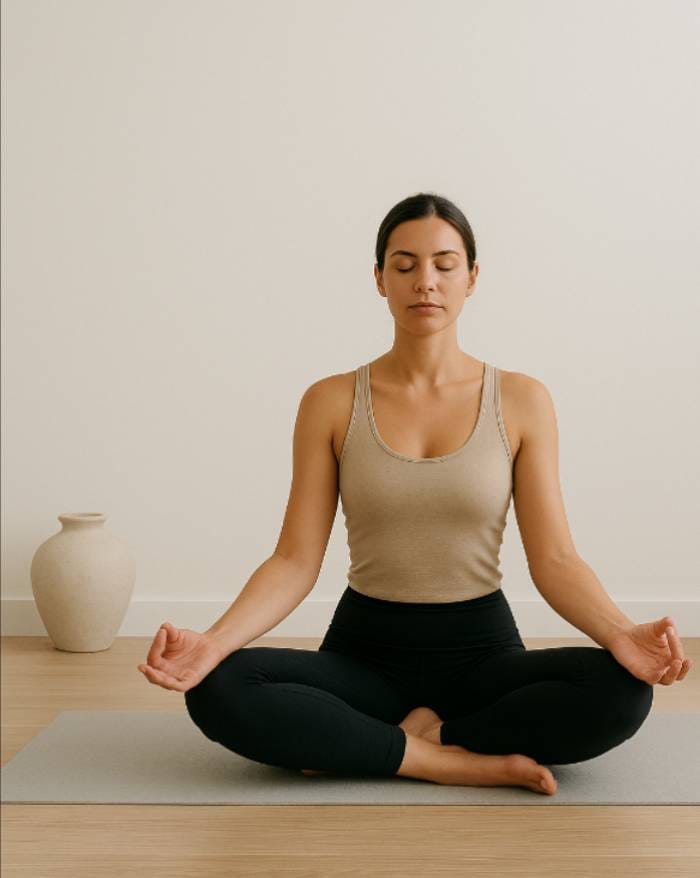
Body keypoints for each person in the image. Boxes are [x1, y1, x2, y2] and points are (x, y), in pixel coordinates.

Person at [138, 192, 692, 796]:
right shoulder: (330, 400)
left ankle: (388, 740)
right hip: (364, 655)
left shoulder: (523, 400)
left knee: (621, 692)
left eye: (444, 265)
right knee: (219, 686)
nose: (424, 282)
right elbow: (295, 560)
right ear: (379, 279)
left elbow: (555, 559)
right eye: (404, 266)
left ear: (472, 278)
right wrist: (212, 644)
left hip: (483, 655)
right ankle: (452, 758)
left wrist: (619, 633)